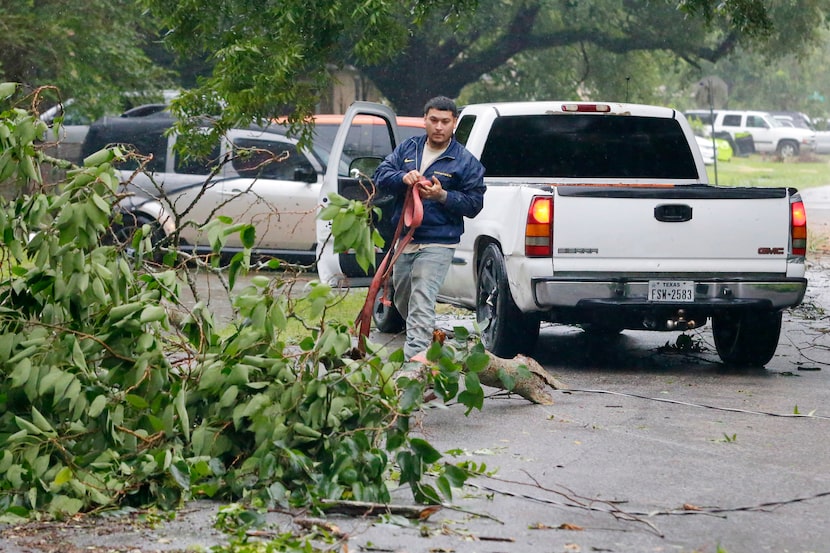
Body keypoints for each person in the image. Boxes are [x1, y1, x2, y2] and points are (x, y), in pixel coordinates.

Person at [373, 96, 486, 361]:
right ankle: (432, 343)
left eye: (445, 121)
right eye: (433, 120)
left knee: (422, 297)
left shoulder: (465, 162)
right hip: (405, 239)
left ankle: (415, 368)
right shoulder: (407, 149)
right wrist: (403, 177)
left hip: (439, 241)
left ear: (454, 123)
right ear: (424, 119)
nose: (438, 127)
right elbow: (380, 175)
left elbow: (474, 204)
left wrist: (442, 196)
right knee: (403, 300)